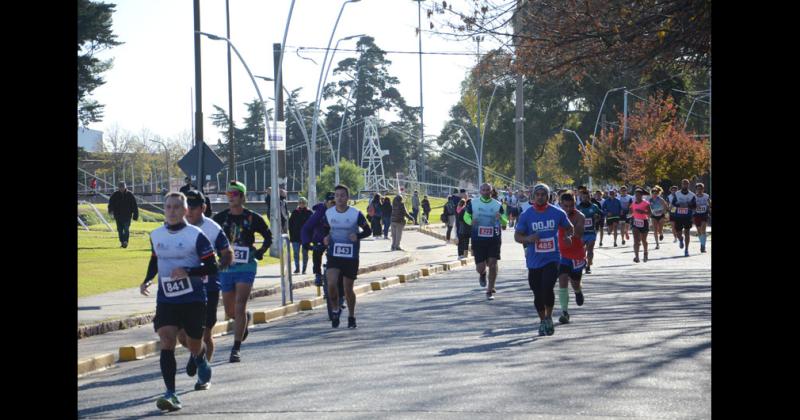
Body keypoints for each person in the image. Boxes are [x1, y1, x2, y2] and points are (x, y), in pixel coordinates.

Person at [140, 192, 218, 410]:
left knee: (193, 343)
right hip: (167, 298)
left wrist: (188, 271)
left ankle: (200, 358)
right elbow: (155, 259)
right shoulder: (156, 235)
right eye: (168, 207)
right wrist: (147, 280)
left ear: (185, 211)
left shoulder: (196, 235)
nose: (172, 211)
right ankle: (171, 394)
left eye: (176, 207)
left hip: (193, 298)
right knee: (167, 340)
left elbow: (213, 267)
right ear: (163, 210)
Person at [212, 181, 273, 363]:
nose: (231, 197)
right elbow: (208, 237)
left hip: (246, 266)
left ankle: (236, 348)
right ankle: (244, 319)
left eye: (235, 194)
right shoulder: (220, 218)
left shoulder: (253, 217)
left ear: (243, 197)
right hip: (226, 267)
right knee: (231, 310)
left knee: (240, 304)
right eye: (228, 194)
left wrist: (260, 252)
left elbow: (268, 236)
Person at [177, 190, 232, 382]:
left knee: (205, 333)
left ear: (203, 208)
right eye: (187, 207)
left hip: (208, 288)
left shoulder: (213, 228)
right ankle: (198, 355)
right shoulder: (175, 227)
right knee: (183, 336)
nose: (189, 212)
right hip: (183, 288)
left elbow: (227, 253)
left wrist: (216, 267)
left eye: (193, 208)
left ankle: (203, 376)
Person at [515, 183, 574, 337]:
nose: (540, 197)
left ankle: (548, 317)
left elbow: (570, 228)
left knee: (547, 287)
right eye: (538, 194)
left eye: (543, 194)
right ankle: (542, 320)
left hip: (552, 257)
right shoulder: (526, 215)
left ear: (549, 196)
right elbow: (517, 236)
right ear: (533, 196)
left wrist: (567, 236)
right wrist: (528, 238)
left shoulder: (557, 213)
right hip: (534, 260)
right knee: (537, 292)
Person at [321, 185, 372, 328]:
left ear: (347, 198)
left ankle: (351, 315)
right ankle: (336, 309)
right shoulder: (329, 213)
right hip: (334, 254)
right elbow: (325, 229)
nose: (339, 198)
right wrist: (325, 237)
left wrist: (358, 235)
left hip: (351, 256)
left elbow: (368, 230)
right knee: (331, 284)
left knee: (348, 288)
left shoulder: (355, 213)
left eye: (342, 195)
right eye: (337, 195)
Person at [464, 183, 508, 300]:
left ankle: (490, 290)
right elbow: (466, 216)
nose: (485, 192)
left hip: (494, 238)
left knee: (493, 263)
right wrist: (470, 221)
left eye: (487, 190)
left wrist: (501, 218)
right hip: (478, 239)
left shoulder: (497, 205)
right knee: (480, 267)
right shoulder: (473, 203)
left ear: (491, 191)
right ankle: (482, 274)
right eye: (483, 190)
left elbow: (505, 222)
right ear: (480, 191)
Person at [556, 192, 586, 324]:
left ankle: (578, 291)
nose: (568, 209)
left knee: (575, 282)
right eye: (565, 206)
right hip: (561, 254)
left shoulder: (580, 216)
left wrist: (569, 228)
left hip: (576, 254)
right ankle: (564, 312)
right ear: (560, 204)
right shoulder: (555, 214)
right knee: (562, 280)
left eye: (571, 206)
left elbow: (579, 234)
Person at [108, 182, 139, 248]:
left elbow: (134, 205)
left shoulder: (130, 194)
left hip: (127, 216)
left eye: (123, 187)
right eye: (120, 187)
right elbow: (111, 204)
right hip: (118, 216)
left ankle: (125, 241)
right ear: (118, 188)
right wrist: (110, 211)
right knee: (120, 230)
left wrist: (135, 215)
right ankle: (122, 242)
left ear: (125, 187)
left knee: (126, 229)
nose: (121, 188)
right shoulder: (115, 195)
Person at [577, 189, 602, 274]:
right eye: (583, 197)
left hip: (591, 232)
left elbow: (601, 214)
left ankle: (588, 266)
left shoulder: (594, 207)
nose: (585, 199)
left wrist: (597, 217)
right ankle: (583, 262)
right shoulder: (578, 207)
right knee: (581, 250)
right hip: (581, 233)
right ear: (581, 198)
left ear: (589, 198)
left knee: (590, 250)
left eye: (587, 197)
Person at [671, 179, 697, 257]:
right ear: (681, 184)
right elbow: (673, 204)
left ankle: (686, 250)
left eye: (686, 184)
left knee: (687, 232)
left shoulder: (692, 195)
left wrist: (688, 205)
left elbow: (694, 206)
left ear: (688, 185)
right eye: (683, 184)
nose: (685, 185)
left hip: (687, 216)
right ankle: (680, 239)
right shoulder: (677, 194)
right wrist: (679, 205)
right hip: (678, 216)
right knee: (678, 233)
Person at [289, 197, 313, 274]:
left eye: (303, 203)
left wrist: (311, 236)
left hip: (306, 237)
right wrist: (291, 235)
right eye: (300, 203)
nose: (301, 204)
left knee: (305, 253)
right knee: (296, 253)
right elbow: (290, 225)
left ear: (306, 203)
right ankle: (297, 268)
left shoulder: (309, 212)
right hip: (295, 236)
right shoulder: (295, 212)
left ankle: (304, 269)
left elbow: (312, 225)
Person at [630, 188, 652, 263]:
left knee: (643, 240)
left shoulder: (646, 203)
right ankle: (637, 257)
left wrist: (643, 212)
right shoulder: (633, 203)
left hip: (644, 222)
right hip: (635, 222)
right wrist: (630, 215)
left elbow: (650, 213)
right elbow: (631, 211)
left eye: (639, 195)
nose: (637, 196)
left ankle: (645, 253)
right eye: (636, 195)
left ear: (642, 195)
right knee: (636, 241)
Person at [693, 183, 711, 253]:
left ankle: (703, 246)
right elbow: (691, 205)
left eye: (701, 189)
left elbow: (709, 204)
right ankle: (702, 242)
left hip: (704, 214)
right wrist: (695, 206)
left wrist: (709, 206)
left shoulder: (706, 196)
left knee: (703, 230)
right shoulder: (694, 197)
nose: (699, 190)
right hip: (697, 215)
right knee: (699, 231)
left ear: (703, 189)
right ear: (696, 189)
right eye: (698, 189)